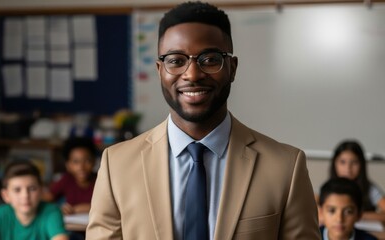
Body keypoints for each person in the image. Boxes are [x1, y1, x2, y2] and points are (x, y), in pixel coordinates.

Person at [86, 1, 320, 239]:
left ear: (232, 67)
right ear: (159, 70)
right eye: (176, 60)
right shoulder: (117, 166)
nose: (193, 74)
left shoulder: (285, 168)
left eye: (209, 59)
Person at [0, 160, 68, 240]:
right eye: (17, 190)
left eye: (32, 189)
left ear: (41, 191)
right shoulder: (2, 213)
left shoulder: (51, 212)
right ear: (5, 195)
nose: (25, 195)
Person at [328, 140, 385, 222]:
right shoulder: (328, 187)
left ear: (361, 165)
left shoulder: (369, 189)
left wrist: (358, 215)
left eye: (354, 162)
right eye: (343, 162)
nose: (348, 168)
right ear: (334, 163)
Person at [44, 137, 97, 215]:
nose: (81, 167)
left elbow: (108, 206)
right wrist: (59, 208)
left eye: (87, 161)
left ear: (94, 161)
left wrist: (76, 209)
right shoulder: (67, 180)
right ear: (68, 165)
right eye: (76, 162)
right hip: (72, 224)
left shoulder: (100, 180)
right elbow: (47, 198)